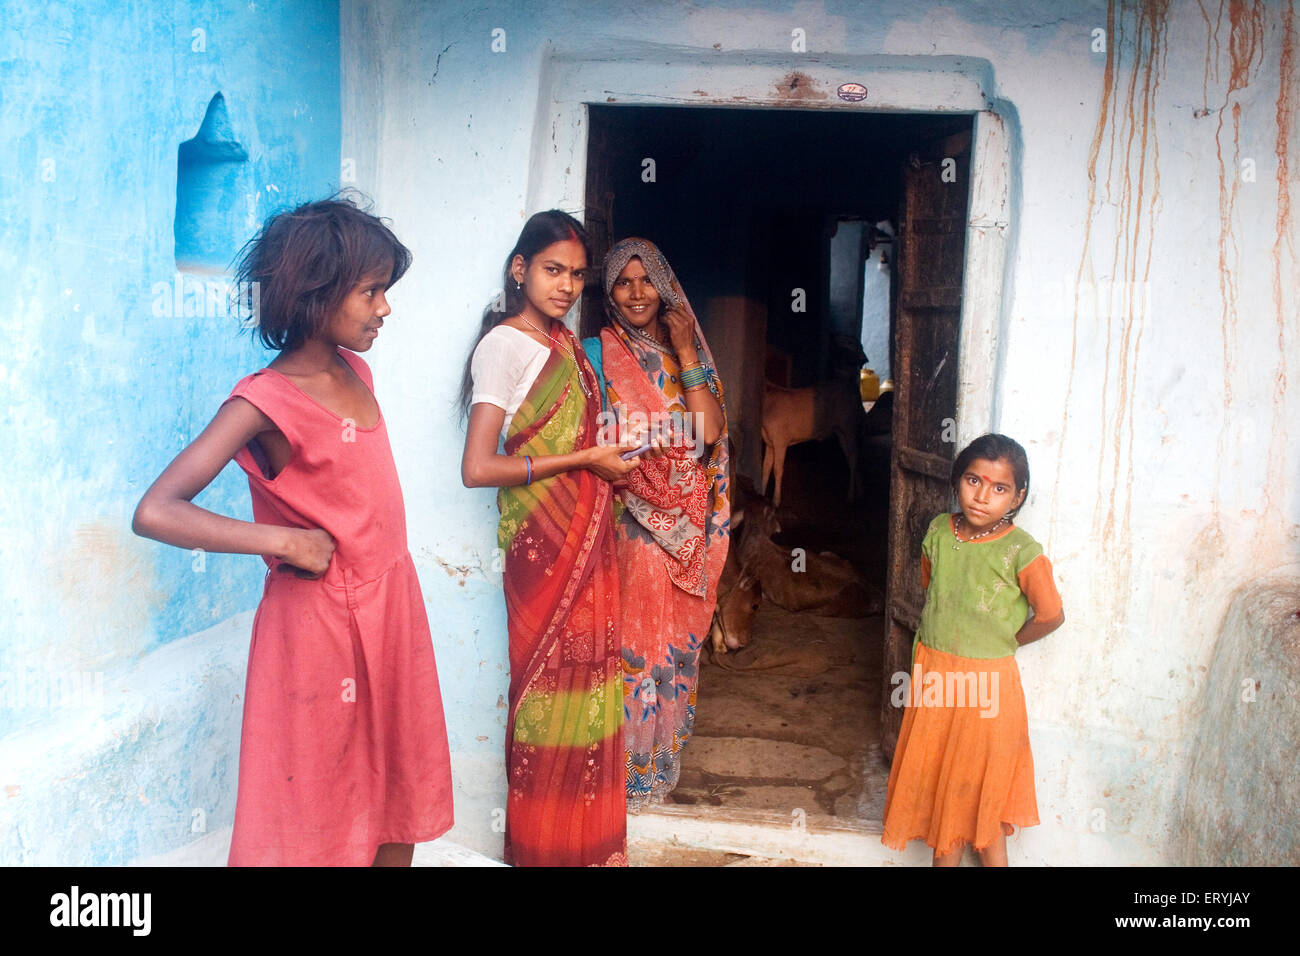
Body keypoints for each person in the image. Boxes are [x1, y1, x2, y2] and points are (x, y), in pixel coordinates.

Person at [132, 196, 454, 867]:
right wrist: (281, 541)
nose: (384, 308)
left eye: (384, 291)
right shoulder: (264, 401)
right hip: (318, 630)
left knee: (396, 782)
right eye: (370, 292)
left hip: (390, 606)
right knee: (319, 798)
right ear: (316, 293)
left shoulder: (356, 372)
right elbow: (158, 509)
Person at [459, 211, 639, 866]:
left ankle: (588, 850)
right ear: (520, 270)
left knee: (589, 697)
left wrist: (607, 457)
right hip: (543, 555)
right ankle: (543, 851)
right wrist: (584, 461)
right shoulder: (504, 346)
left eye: (576, 275)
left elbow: (581, 442)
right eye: (552, 270)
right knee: (546, 703)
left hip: (588, 547)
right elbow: (478, 467)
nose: (565, 286)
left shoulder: (567, 346)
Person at [580, 237, 729, 811]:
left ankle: (654, 766)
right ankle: (622, 774)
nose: (637, 292)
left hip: (688, 535)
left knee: (671, 649)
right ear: (610, 293)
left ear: (665, 288)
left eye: (647, 281)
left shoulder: (685, 355)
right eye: (623, 281)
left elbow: (709, 434)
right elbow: (590, 437)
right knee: (632, 646)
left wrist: (687, 347)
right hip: (628, 526)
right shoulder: (595, 354)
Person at [881, 433, 1064, 866]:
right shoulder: (940, 531)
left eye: (999, 488)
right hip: (935, 677)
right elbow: (935, 591)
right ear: (957, 481)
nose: (982, 497)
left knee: (978, 794)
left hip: (987, 690)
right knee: (943, 785)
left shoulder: (1022, 551)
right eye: (973, 481)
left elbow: (1051, 614)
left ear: (1018, 497)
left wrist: (1004, 642)